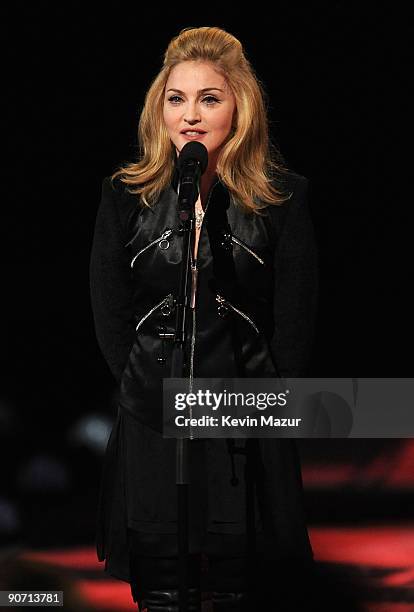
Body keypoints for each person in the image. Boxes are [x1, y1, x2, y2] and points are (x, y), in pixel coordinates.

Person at [89, 26, 318, 612]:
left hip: (243, 412)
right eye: (177, 98)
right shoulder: (124, 197)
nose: (190, 115)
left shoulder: (282, 201)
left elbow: (294, 322)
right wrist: (140, 385)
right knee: (161, 583)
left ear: (240, 107)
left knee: (234, 583)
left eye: (209, 98)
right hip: (152, 410)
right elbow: (110, 311)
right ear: (158, 108)